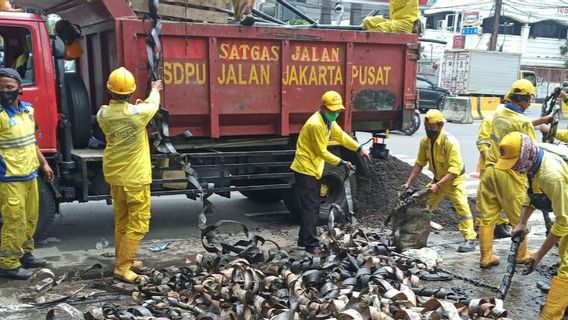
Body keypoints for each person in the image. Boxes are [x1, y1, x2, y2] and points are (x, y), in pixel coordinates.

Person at [476, 79, 552, 268]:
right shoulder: (524, 121)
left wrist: (540, 121)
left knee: (487, 216)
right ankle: (522, 254)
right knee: (519, 216)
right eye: (529, 100)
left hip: (491, 169)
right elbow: (531, 149)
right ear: (524, 99)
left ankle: (485, 257)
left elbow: (514, 124)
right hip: (510, 173)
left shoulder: (499, 111)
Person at [97, 67, 162, 283]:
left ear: (110, 90)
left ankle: (124, 258)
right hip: (135, 178)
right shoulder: (138, 114)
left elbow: (124, 112)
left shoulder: (103, 114)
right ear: (131, 91)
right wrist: (155, 89)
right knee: (138, 222)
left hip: (116, 176)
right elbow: (153, 104)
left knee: (122, 220)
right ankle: (123, 267)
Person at [496, 132, 568, 319]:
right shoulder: (534, 159)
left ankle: (550, 316)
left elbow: (563, 222)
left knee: (567, 266)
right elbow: (533, 194)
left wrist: (538, 255)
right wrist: (521, 222)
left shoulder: (551, 176)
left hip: (566, 212)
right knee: (563, 252)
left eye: (515, 163)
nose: (514, 169)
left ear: (525, 155)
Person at [290, 91, 369, 255]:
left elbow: (341, 136)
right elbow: (321, 152)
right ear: (323, 107)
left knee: (312, 205)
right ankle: (310, 243)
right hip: (306, 169)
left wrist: (358, 148)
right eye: (332, 111)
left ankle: (304, 238)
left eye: (337, 111)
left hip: (313, 168)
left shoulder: (327, 122)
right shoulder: (316, 124)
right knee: (311, 207)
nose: (335, 114)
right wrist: (342, 162)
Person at [0, 68, 54, 280]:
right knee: (15, 221)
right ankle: (8, 264)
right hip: (9, 178)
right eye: (1, 87)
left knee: (30, 218)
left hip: (30, 174)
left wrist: (44, 165)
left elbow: (31, 142)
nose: (4, 91)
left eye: (9, 87)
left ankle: (24, 254)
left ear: (20, 89)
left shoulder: (28, 111)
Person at [403, 109, 477, 252]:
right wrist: (409, 182)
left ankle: (470, 239)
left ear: (440, 125)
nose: (429, 131)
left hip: (454, 181)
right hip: (437, 180)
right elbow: (420, 163)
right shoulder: (425, 142)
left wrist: (438, 185)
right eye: (427, 128)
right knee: (423, 207)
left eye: (432, 128)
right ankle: (414, 237)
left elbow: (454, 169)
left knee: (462, 208)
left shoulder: (450, 142)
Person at [475, 103, 511, 239]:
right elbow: (482, 142)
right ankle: (480, 226)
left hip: (505, 166)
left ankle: (501, 225)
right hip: (490, 167)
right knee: (485, 198)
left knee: (505, 196)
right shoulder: (491, 119)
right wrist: (490, 161)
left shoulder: (509, 120)